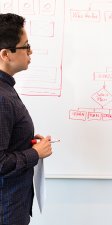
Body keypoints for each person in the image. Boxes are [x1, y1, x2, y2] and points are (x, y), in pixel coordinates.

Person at [0, 13, 53, 225]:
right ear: (6, 54)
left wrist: (27, 144)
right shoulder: (2, 97)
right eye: (26, 46)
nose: (30, 52)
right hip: (6, 209)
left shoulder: (7, 89)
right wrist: (34, 153)